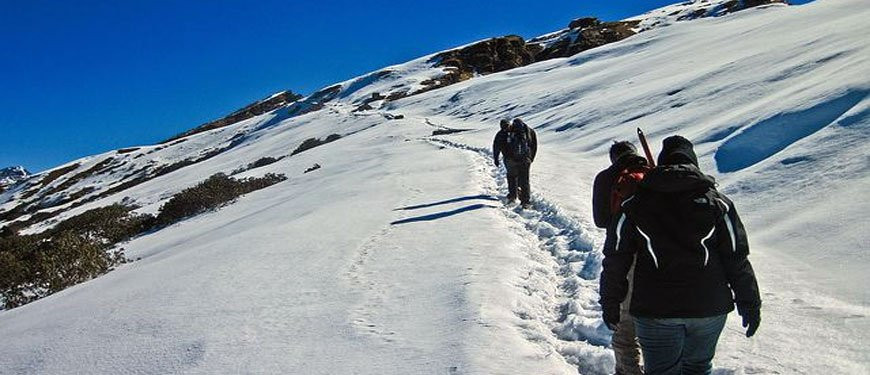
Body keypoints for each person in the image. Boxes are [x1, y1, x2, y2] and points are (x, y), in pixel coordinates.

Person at [599, 135, 761, 375]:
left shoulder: (634, 204)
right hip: (709, 307)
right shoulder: (719, 203)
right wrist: (750, 302)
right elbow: (736, 257)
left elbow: (616, 259)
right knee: (697, 368)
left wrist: (610, 301)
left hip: (655, 308)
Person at [592, 141, 648, 375]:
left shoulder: (607, 178)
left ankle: (628, 370)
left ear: (613, 157)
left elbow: (601, 221)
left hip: (623, 253)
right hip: (660, 255)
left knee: (625, 322)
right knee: (656, 319)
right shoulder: (655, 173)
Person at [495, 119, 537, 207]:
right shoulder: (528, 131)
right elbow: (534, 145)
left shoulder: (502, 133)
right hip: (525, 159)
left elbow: (496, 146)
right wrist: (531, 158)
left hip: (510, 160)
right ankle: (525, 201)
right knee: (525, 179)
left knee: (512, 177)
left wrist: (496, 158)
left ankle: (513, 197)